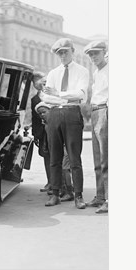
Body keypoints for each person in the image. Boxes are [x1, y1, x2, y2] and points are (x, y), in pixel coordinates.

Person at [41, 38, 89, 209]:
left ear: (72, 51)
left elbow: (81, 95)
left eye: (65, 52)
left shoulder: (82, 71)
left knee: (74, 157)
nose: (62, 55)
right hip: (54, 113)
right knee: (55, 156)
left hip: (72, 113)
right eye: (59, 53)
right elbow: (46, 97)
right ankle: (55, 194)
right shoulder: (53, 73)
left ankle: (78, 196)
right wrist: (63, 94)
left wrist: (58, 93)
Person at [84, 40, 109, 214]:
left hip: (104, 112)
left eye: (96, 53)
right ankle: (100, 196)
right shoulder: (97, 72)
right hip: (95, 112)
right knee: (97, 158)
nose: (93, 57)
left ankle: (109, 199)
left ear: (104, 52)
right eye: (91, 54)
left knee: (107, 159)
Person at [30, 72, 51, 193]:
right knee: (46, 156)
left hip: (52, 130)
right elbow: (34, 118)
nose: (37, 84)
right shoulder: (34, 99)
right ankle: (50, 181)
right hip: (42, 133)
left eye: (39, 81)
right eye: (34, 82)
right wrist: (35, 134)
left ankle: (60, 183)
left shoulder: (51, 96)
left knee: (56, 156)